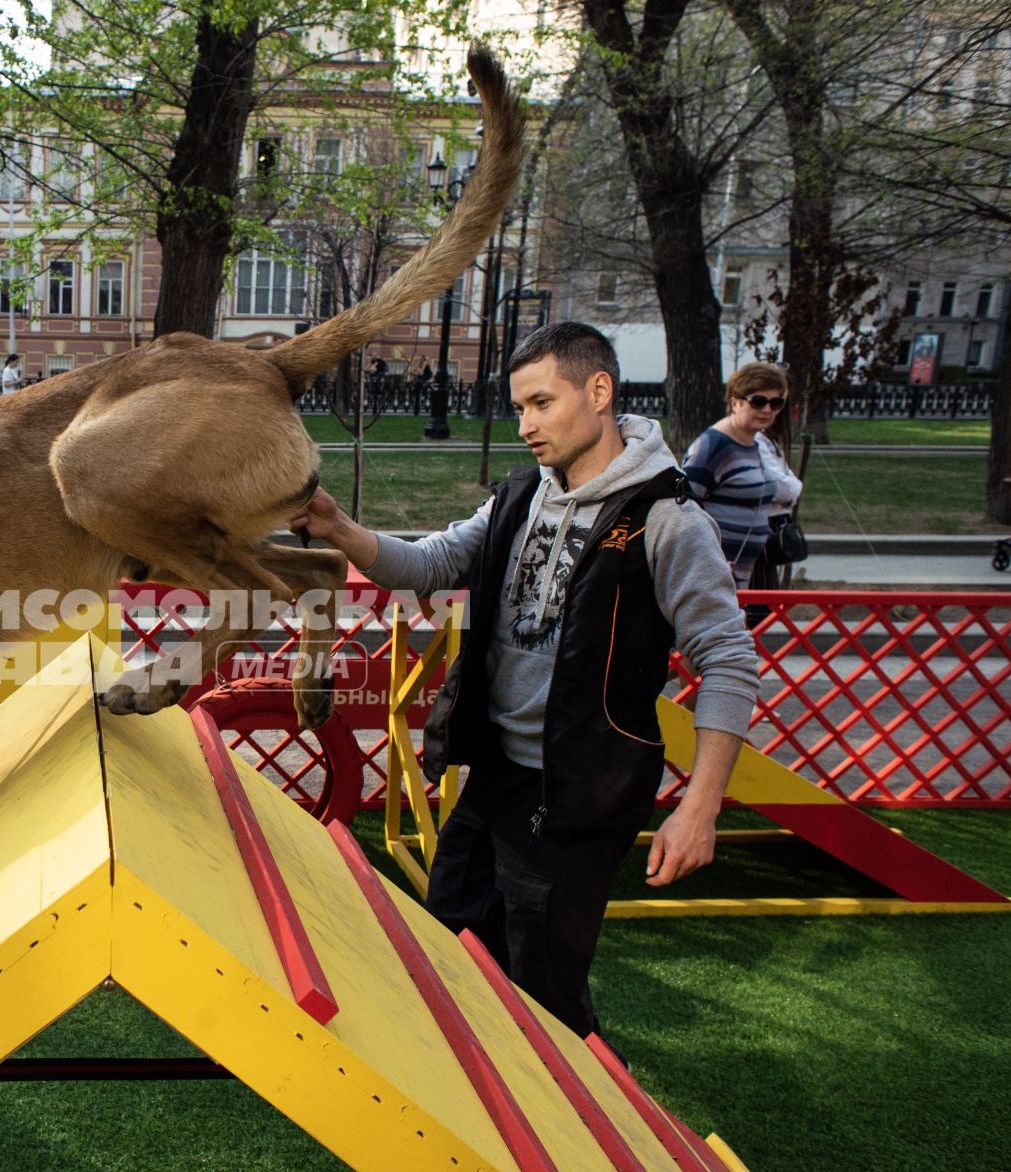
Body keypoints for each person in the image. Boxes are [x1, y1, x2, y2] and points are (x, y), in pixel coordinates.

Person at [290, 322, 759, 1040]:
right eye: (518, 408)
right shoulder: (521, 493)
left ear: (599, 391)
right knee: (450, 952)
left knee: (540, 992)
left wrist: (701, 807)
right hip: (497, 777)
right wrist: (340, 527)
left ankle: (586, 1126)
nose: (525, 425)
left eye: (541, 403)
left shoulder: (668, 520)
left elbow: (727, 660)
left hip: (579, 794)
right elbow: (434, 564)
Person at [683, 361, 803, 590]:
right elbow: (682, 510)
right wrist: (707, 561)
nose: (767, 410)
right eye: (758, 401)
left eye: (776, 403)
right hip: (711, 580)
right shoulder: (714, 446)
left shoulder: (753, 443)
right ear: (735, 402)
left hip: (743, 576)